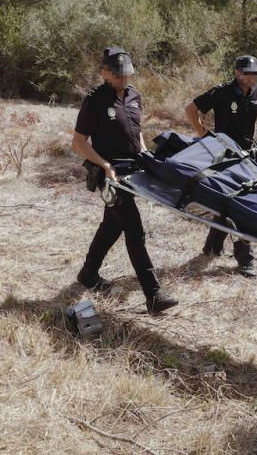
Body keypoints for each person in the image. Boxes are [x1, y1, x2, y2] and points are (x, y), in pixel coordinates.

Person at [72, 47, 178, 315]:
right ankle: (153, 294)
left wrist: (145, 156)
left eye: (126, 75)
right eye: (117, 75)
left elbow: (136, 133)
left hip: (133, 171)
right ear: (104, 73)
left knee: (112, 226)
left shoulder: (134, 96)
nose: (123, 80)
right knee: (133, 228)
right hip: (109, 176)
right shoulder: (94, 101)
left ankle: (88, 274)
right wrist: (105, 166)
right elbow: (78, 143)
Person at [184, 55, 257, 277]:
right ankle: (245, 259)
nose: (253, 77)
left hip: (247, 157)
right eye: (248, 73)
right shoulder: (221, 92)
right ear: (238, 73)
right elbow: (190, 109)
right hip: (226, 157)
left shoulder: (255, 93)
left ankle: (212, 247)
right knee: (240, 205)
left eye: (255, 73)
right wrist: (205, 137)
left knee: (228, 201)